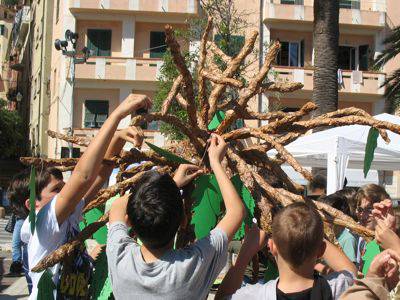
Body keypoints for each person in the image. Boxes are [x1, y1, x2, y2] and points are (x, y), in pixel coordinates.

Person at [19, 94, 152, 299]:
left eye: (64, 187)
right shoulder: (42, 224)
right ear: (32, 203)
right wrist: (117, 115)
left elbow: (100, 175)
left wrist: (116, 138)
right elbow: (82, 177)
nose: (65, 193)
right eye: (57, 190)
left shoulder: (68, 217)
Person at [106, 134, 246, 299]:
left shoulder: (120, 257)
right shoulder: (192, 264)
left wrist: (169, 187)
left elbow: (117, 207)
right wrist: (216, 161)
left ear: (129, 221)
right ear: (183, 221)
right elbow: (236, 211)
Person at [216, 202, 357, 300]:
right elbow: (350, 270)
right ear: (321, 250)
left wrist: (246, 251)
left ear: (271, 247)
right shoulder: (336, 289)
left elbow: (222, 297)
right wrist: (308, 231)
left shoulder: (256, 295)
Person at [5, 170, 32, 292]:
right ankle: (17, 266)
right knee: (18, 244)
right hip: (20, 217)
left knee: (21, 244)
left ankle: (18, 266)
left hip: (23, 218)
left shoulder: (26, 194)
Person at [354, 184, 391, 275]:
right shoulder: (362, 239)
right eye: (360, 209)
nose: (363, 215)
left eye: (369, 210)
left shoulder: (386, 243)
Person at [320, 193, 357, 264]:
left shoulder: (348, 240)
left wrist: (318, 266)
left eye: (326, 216)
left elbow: (350, 271)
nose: (322, 219)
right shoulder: (327, 237)